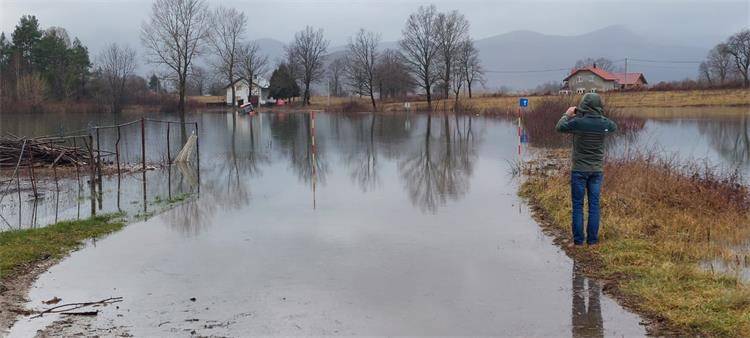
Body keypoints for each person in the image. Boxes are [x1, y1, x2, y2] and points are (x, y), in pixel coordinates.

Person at [555, 93, 617, 247]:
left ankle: (578, 242)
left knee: (578, 205)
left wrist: (567, 114)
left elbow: (559, 127)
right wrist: (600, 116)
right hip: (597, 171)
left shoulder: (577, 123)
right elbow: (613, 127)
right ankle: (593, 241)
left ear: (583, 106)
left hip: (579, 170)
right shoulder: (604, 124)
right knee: (594, 205)